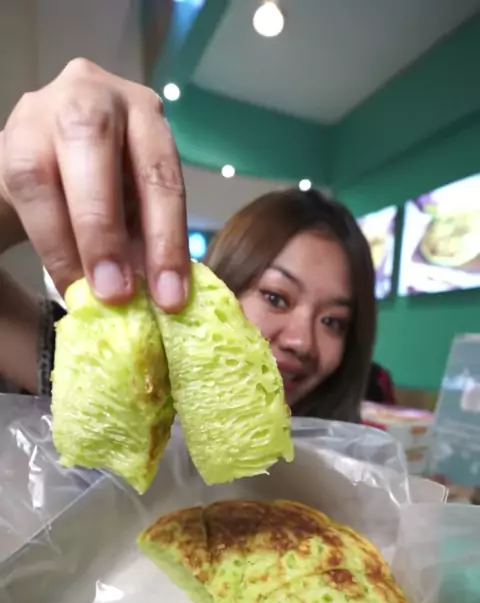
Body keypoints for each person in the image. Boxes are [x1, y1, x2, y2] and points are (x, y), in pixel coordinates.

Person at [0, 59, 376, 422]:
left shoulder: (344, 451)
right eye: (276, 297)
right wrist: (9, 186)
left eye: (332, 321)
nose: (302, 342)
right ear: (222, 287)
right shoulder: (120, 379)